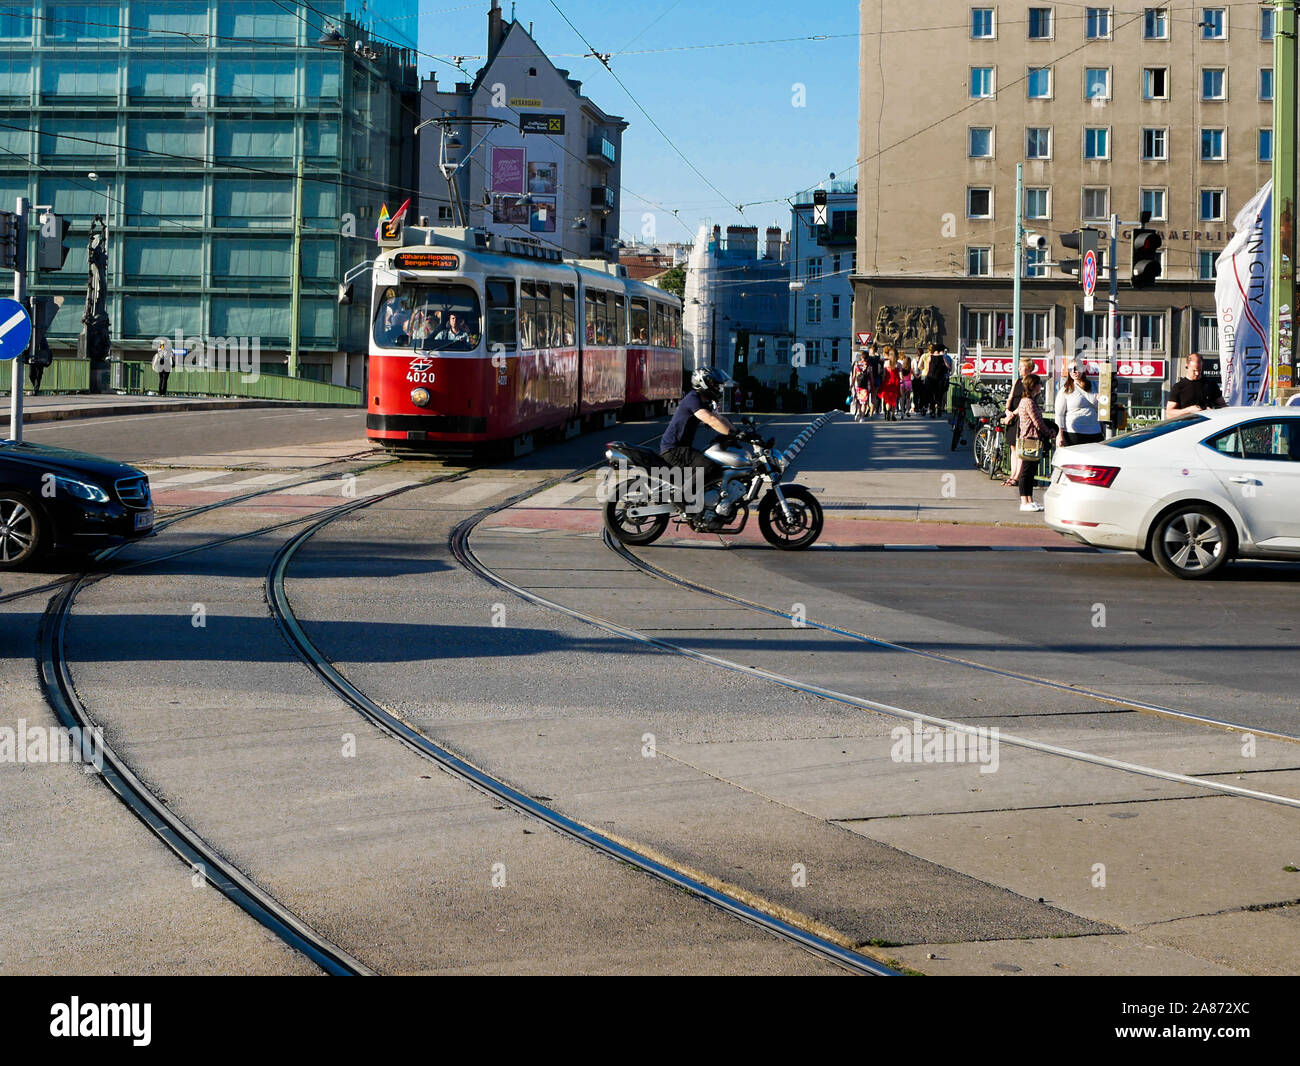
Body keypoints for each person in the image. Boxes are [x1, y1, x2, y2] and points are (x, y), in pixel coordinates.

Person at [660, 366, 735, 506]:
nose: (719, 388)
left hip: (681, 448)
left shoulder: (702, 400)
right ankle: (681, 498)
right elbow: (711, 420)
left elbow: (719, 418)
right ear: (704, 383)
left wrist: (738, 432)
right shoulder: (693, 399)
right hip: (674, 449)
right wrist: (731, 433)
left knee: (715, 464)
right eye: (716, 384)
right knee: (709, 467)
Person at [1012, 373, 1048, 512]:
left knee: (1031, 471)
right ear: (1034, 386)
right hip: (1029, 439)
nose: (1041, 386)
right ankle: (1024, 501)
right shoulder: (1028, 402)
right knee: (1027, 472)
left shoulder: (1028, 400)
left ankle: (1030, 500)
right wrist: (1050, 433)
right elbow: (1037, 422)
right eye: (1039, 383)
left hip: (1030, 439)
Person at [1000, 357, 1035, 486]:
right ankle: (1012, 474)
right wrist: (1007, 410)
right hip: (1012, 418)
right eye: (1019, 366)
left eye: (1022, 366)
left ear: (1029, 368)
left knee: (1020, 448)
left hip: (1022, 418)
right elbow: (1010, 397)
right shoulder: (1017, 381)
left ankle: (1017, 477)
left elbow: (1025, 402)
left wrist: (1013, 414)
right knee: (1013, 447)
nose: (1019, 368)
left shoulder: (1031, 382)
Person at [1055, 363, 1103, 447]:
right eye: (1070, 369)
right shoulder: (1065, 389)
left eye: (1076, 368)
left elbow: (1102, 407)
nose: (1073, 371)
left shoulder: (1095, 385)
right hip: (1073, 432)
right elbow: (1059, 414)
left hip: (1095, 431)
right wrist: (1060, 435)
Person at [925, 343, 950, 416]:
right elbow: (948, 367)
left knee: (931, 394)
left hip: (931, 378)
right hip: (940, 378)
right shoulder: (942, 357)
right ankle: (938, 406)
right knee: (939, 394)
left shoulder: (930, 357)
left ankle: (932, 409)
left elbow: (927, 369)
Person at [879, 346, 900, 420]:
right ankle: (893, 415)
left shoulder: (886, 363)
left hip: (887, 383)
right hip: (895, 383)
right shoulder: (898, 364)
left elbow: (884, 374)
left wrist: (883, 381)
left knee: (887, 399)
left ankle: (887, 412)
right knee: (894, 399)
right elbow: (900, 375)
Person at [852, 353, 871, 421]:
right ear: (867, 358)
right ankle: (862, 417)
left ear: (861, 357)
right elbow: (871, 377)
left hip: (858, 385)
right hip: (865, 385)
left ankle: (859, 414)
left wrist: (852, 384)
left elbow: (854, 376)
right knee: (864, 402)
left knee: (858, 401)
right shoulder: (868, 365)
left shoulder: (856, 364)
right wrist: (872, 385)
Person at [899, 354, 914, 418]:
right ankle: (907, 410)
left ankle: (902, 411)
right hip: (908, 383)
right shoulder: (910, 369)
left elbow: (900, 376)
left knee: (902, 398)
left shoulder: (901, 368)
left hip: (902, 383)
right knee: (908, 398)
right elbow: (915, 375)